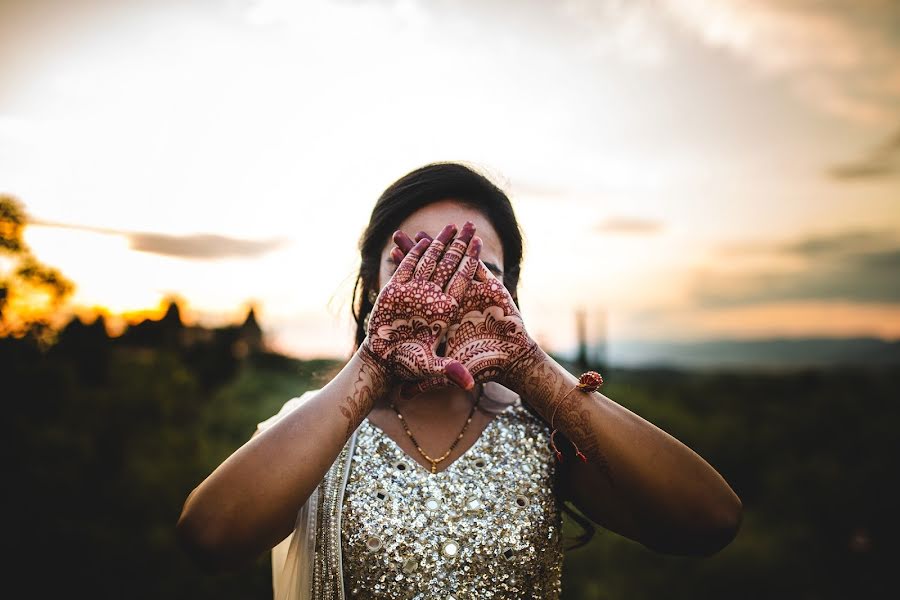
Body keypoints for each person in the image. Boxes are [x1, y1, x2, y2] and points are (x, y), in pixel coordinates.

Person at [176, 162, 743, 599]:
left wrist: (531, 369)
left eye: (476, 271)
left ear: (510, 293)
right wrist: (375, 363)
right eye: (415, 265)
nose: (442, 290)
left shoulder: (537, 435)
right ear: (373, 287)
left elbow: (707, 522)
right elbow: (210, 540)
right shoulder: (315, 428)